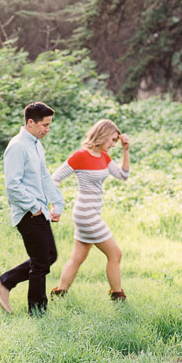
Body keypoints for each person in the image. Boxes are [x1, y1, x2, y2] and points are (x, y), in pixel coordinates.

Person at [0, 102, 64, 315]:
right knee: (41, 261)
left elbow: (43, 176)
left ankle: (4, 282)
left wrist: (57, 202)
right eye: (44, 125)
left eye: (49, 125)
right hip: (27, 212)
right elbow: (12, 184)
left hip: (39, 209)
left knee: (49, 255)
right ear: (30, 122)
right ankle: (38, 312)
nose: (47, 129)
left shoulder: (36, 144)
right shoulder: (18, 146)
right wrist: (33, 207)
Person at [50, 119, 130, 300]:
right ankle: (118, 296)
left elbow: (123, 175)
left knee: (77, 258)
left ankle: (59, 294)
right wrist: (56, 205)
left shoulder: (104, 156)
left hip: (90, 213)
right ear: (102, 135)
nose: (113, 145)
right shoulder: (80, 155)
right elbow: (55, 178)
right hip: (86, 214)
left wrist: (126, 150)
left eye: (116, 142)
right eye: (112, 140)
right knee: (115, 254)